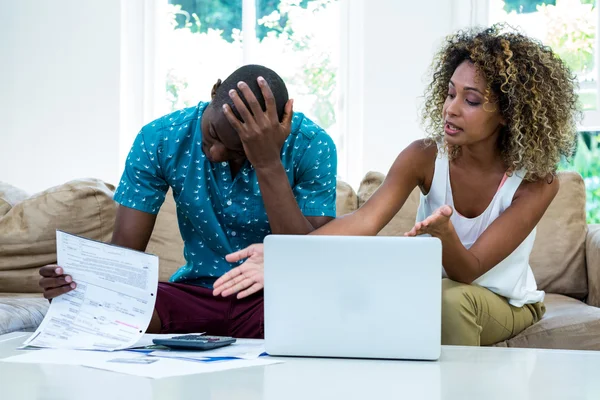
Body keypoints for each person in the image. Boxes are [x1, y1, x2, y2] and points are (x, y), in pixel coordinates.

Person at [213, 25, 580, 346]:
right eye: (450, 93)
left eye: (471, 100)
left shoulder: (535, 182)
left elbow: (468, 272)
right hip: (428, 292)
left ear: (507, 113)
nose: (450, 108)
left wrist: (443, 234)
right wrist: (287, 256)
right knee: (367, 288)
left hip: (504, 302)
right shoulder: (424, 155)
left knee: (450, 299)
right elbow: (363, 222)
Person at [38, 64, 337, 338]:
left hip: (274, 298)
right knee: (97, 301)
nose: (216, 153)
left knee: (327, 314)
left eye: (238, 151)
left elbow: (306, 262)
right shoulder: (160, 138)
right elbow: (125, 255)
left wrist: (266, 160)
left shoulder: (313, 145)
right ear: (214, 91)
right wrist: (80, 281)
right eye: (213, 133)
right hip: (194, 296)